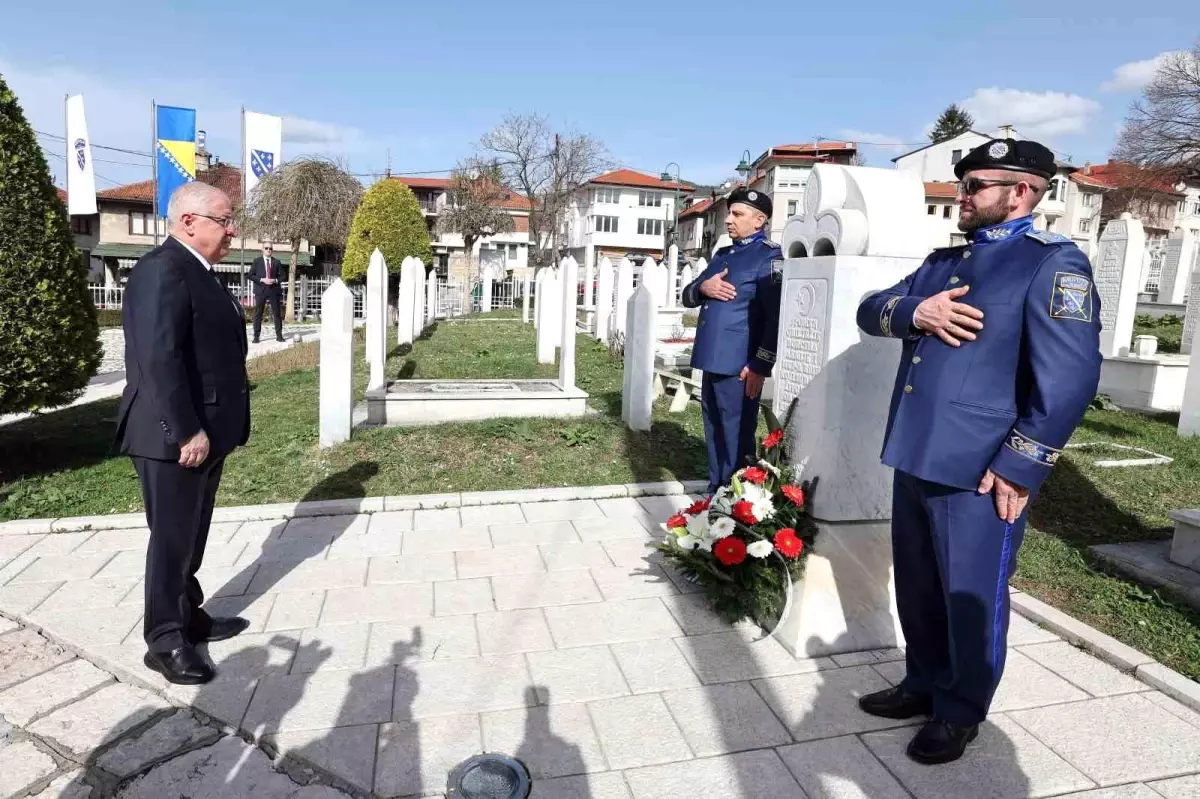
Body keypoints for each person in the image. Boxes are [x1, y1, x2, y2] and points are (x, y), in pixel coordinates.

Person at [854, 138, 1102, 764]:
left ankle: (961, 710)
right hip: (915, 452)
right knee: (917, 586)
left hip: (980, 469)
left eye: (976, 185)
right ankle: (923, 683)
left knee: (971, 592)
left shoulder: (1052, 265)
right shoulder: (942, 265)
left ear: (1021, 192)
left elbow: (1069, 380)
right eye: (962, 184)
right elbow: (869, 310)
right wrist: (918, 310)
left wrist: (1021, 464)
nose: (961, 195)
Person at [116, 181, 252, 685]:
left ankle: (189, 613)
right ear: (189, 221)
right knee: (172, 540)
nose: (233, 229)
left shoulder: (203, 274)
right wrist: (186, 431)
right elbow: (159, 361)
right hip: (173, 436)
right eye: (224, 219)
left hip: (207, 434)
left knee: (192, 535)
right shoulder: (162, 270)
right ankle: (166, 639)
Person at [680, 187, 782, 494]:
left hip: (740, 365)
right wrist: (704, 288)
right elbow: (689, 296)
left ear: (759, 220)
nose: (728, 220)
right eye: (729, 213)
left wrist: (760, 365)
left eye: (737, 214)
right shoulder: (723, 254)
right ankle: (717, 491)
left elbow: (774, 317)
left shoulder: (769, 257)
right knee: (714, 430)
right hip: (712, 359)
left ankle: (738, 499)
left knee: (737, 435)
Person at [249, 242, 284, 343]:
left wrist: (275, 280)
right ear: (262, 249)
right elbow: (250, 275)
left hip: (274, 290)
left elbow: (282, 276)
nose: (268, 250)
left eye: (270, 248)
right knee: (258, 314)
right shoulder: (257, 261)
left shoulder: (276, 262)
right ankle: (256, 336)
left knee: (276, 313)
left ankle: (279, 336)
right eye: (266, 248)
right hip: (261, 290)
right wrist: (261, 280)